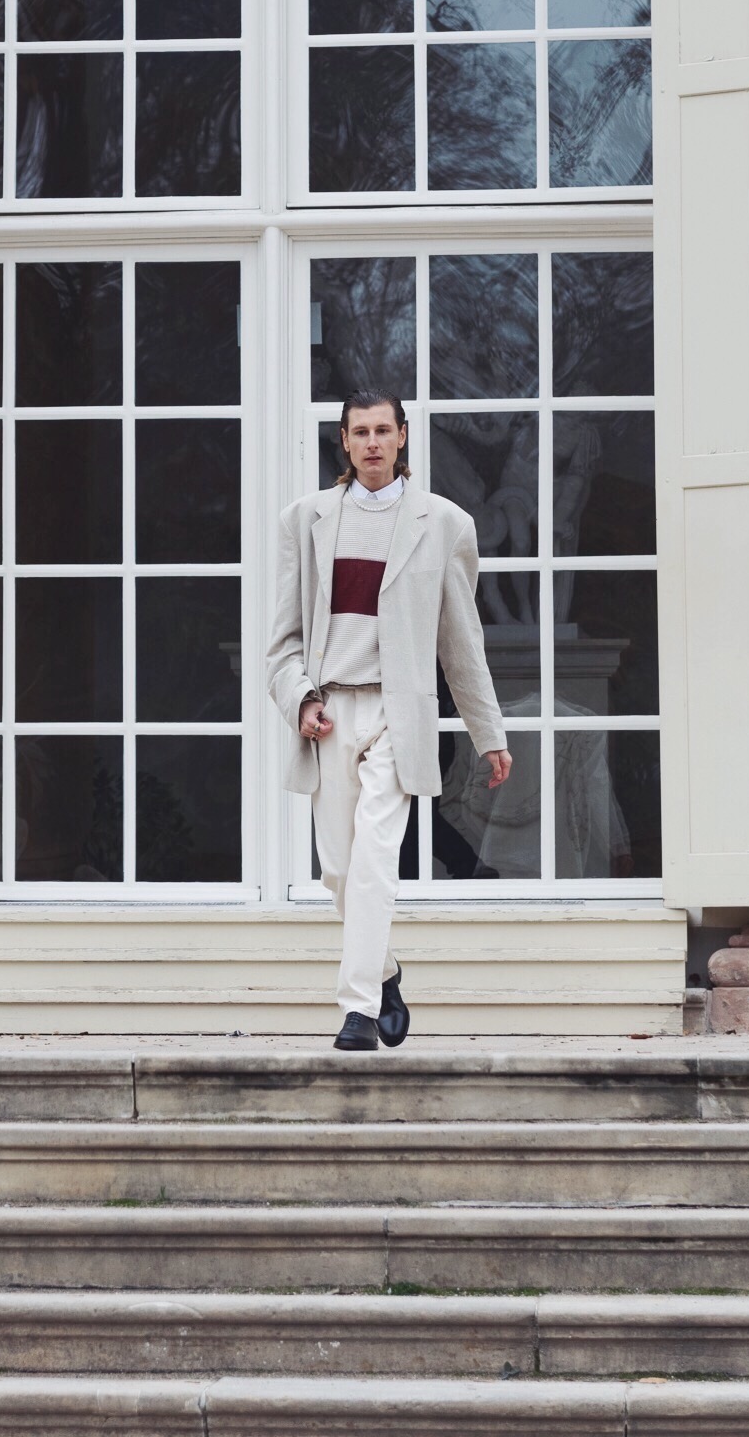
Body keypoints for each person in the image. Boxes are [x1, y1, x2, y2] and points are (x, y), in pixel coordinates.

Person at [266, 391, 512, 1051]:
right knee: (338, 872)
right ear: (344, 442)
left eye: (383, 430)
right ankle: (385, 970)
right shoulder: (305, 520)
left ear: (402, 437)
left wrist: (488, 733)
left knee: (376, 861)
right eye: (360, 432)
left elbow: (462, 642)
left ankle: (358, 1011)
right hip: (329, 713)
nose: (372, 442)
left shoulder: (446, 524)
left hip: (398, 714)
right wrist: (301, 699)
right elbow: (282, 642)